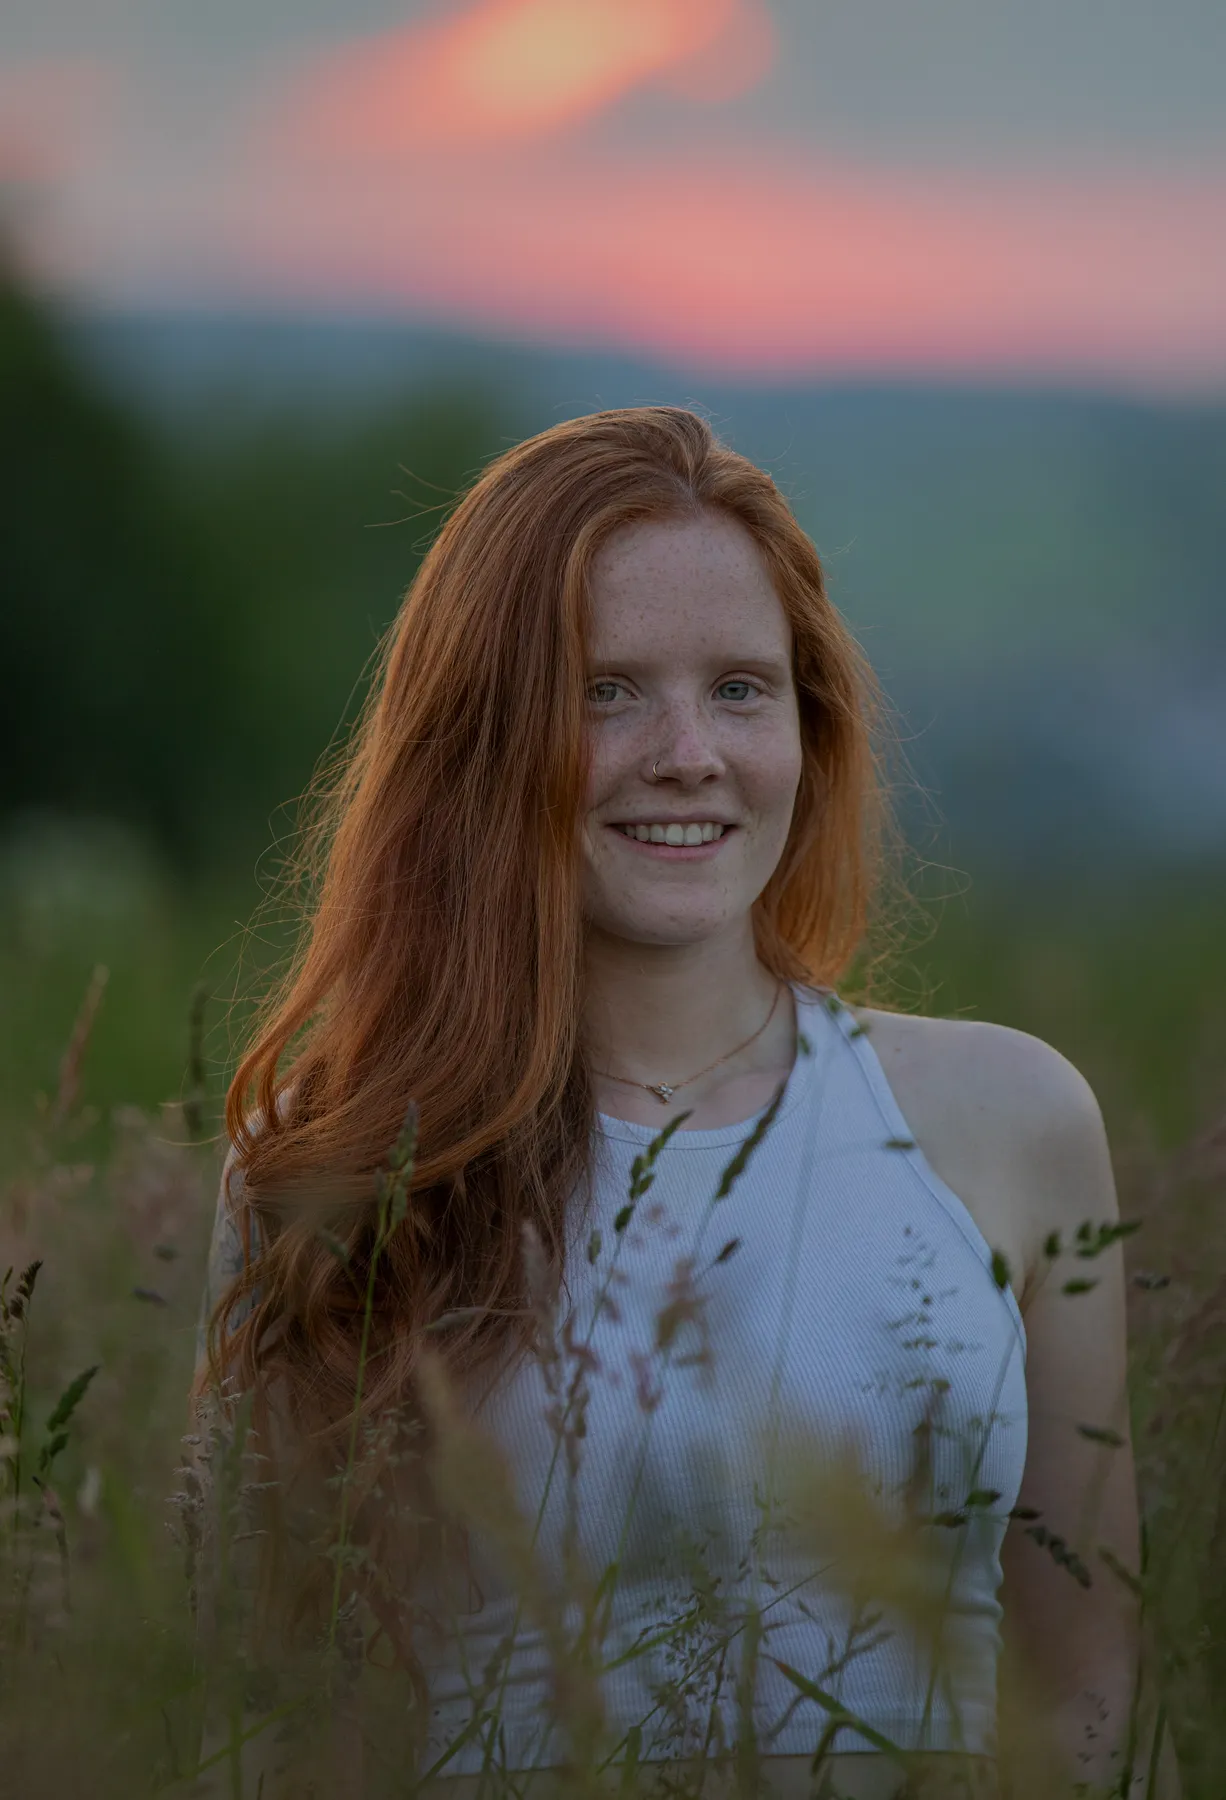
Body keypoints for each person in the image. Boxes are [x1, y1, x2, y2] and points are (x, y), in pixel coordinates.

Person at [195, 406, 1166, 1800]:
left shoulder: (1008, 1122)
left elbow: (1099, 1701)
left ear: (806, 727)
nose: (686, 753)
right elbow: (274, 1733)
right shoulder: (335, 1163)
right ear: (480, 737)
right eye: (604, 692)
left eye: (738, 689)